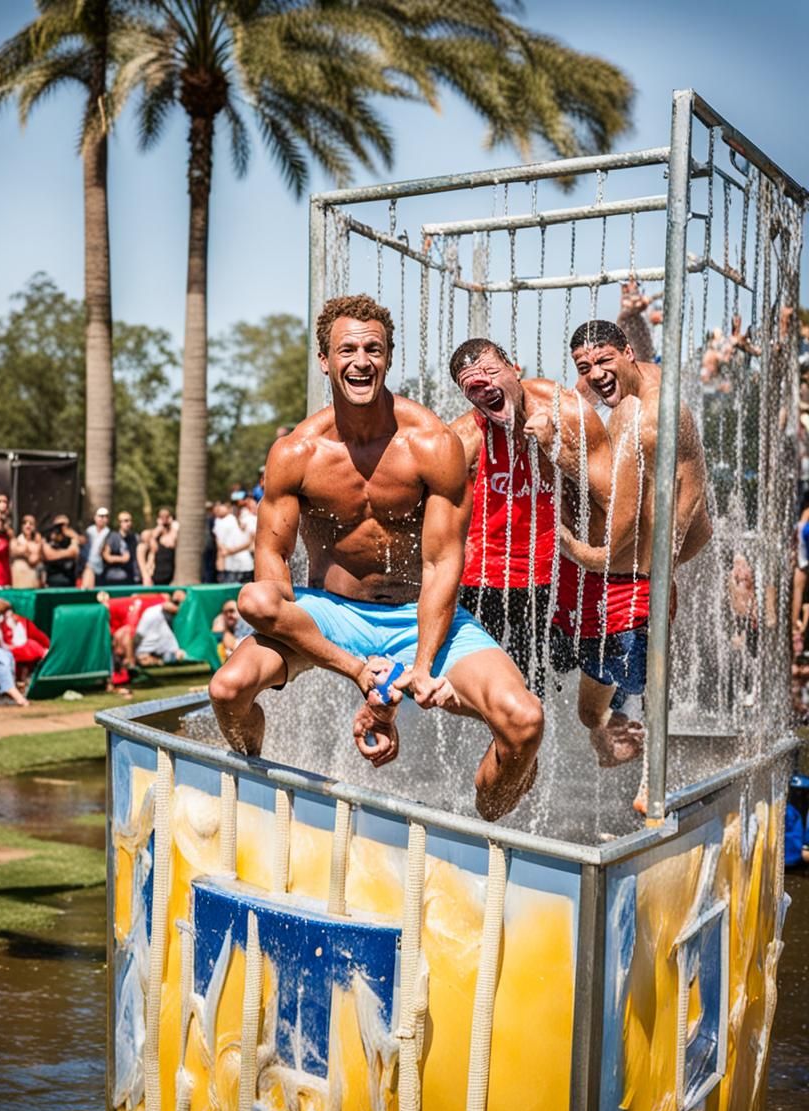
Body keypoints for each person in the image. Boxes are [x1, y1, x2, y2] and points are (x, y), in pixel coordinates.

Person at [209, 294, 544, 821]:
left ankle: (489, 835)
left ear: (388, 358)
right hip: (332, 613)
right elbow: (271, 563)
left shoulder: (431, 444)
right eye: (347, 350)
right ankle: (251, 793)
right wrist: (362, 677)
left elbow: (441, 566)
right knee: (229, 684)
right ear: (325, 360)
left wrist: (421, 667)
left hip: (421, 617)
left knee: (524, 722)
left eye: (374, 349)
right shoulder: (296, 453)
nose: (361, 361)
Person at [533, 319, 711, 801]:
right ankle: (611, 735)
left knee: (644, 680)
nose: (593, 376)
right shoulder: (629, 385)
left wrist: (572, 547)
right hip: (615, 572)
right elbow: (578, 398)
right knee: (590, 712)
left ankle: (655, 775)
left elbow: (634, 512)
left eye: (603, 362)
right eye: (584, 367)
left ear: (628, 352)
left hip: (632, 573)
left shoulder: (649, 418)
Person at [447, 338, 609, 697]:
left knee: (545, 684)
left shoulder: (561, 410)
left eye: (492, 371)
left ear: (514, 369)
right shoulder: (464, 438)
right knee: (489, 693)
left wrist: (554, 446)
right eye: (472, 383)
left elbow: (607, 489)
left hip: (548, 578)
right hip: (481, 582)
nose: (485, 384)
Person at [134, 590, 187, 665]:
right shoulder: (152, 612)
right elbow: (138, 636)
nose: (176, 607)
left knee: (180, 655)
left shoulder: (182, 619)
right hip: (146, 652)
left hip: (167, 653)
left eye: (180, 604)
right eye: (174, 603)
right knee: (143, 658)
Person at [214, 493, 256, 584]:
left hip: (245, 565)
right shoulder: (224, 520)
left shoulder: (250, 518)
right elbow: (219, 541)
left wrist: (232, 551)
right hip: (230, 566)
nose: (237, 505)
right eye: (234, 503)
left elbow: (251, 541)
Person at [102, 511, 139, 585]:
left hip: (132, 577)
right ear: (119, 523)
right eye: (125, 521)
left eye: (130, 520)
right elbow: (106, 556)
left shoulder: (135, 537)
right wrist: (121, 559)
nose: (128, 523)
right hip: (114, 577)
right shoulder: (113, 536)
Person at [42, 515, 80, 587]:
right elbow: (49, 555)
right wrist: (68, 552)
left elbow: (75, 552)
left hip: (70, 580)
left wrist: (74, 537)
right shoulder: (47, 538)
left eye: (65, 525)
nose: (62, 528)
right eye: (59, 525)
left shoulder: (72, 538)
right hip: (53, 580)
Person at [212, 598, 253, 663]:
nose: (229, 615)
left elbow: (237, 647)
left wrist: (224, 630)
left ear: (239, 612)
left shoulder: (245, 625)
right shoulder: (230, 629)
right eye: (225, 613)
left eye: (231, 611)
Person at [10, 514, 43, 588]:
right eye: (25, 523)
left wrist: (24, 550)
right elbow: (13, 551)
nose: (28, 526)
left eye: (31, 523)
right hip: (18, 578)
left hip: (32, 578)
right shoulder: (16, 540)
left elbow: (33, 559)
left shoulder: (38, 542)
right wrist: (28, 551)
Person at [81, 507, 110, 589]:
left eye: (105, 516)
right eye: (101, 516)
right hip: (87, 566)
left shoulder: (109, 533)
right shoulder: (89, 531)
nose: (103, 519)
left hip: (101, 568)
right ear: (95, 517)